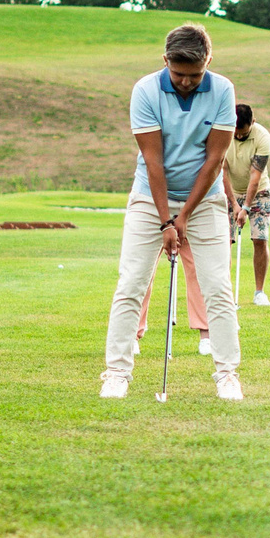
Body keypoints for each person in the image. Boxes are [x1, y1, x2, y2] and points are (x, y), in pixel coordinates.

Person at [101, 22, 242, 400]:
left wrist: (183, 217)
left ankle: (227, 374)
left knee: (218, 287)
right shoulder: (146, 90)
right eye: (178, 74)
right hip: (151, 197)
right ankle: (116, 373)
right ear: (165, 61)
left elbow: (214, 160)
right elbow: (153, 160)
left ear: (208, 62)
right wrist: (166, 220)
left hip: (206, 199)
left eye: (194, 75)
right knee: (131, 282)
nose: (185, 82)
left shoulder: (223, 90)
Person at [224, 101, 270, 307]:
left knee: (259, 239)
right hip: (229, 193)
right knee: (224, 241)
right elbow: (221, 171)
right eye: (237, 132)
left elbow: (255, 176)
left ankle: (259, 292)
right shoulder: (223, 133)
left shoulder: (262, 137)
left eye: (243, 133)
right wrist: (235, 204)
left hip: (259, 192)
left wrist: (245, 208)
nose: (240, 136)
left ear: (252, 122)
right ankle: (224, 293)